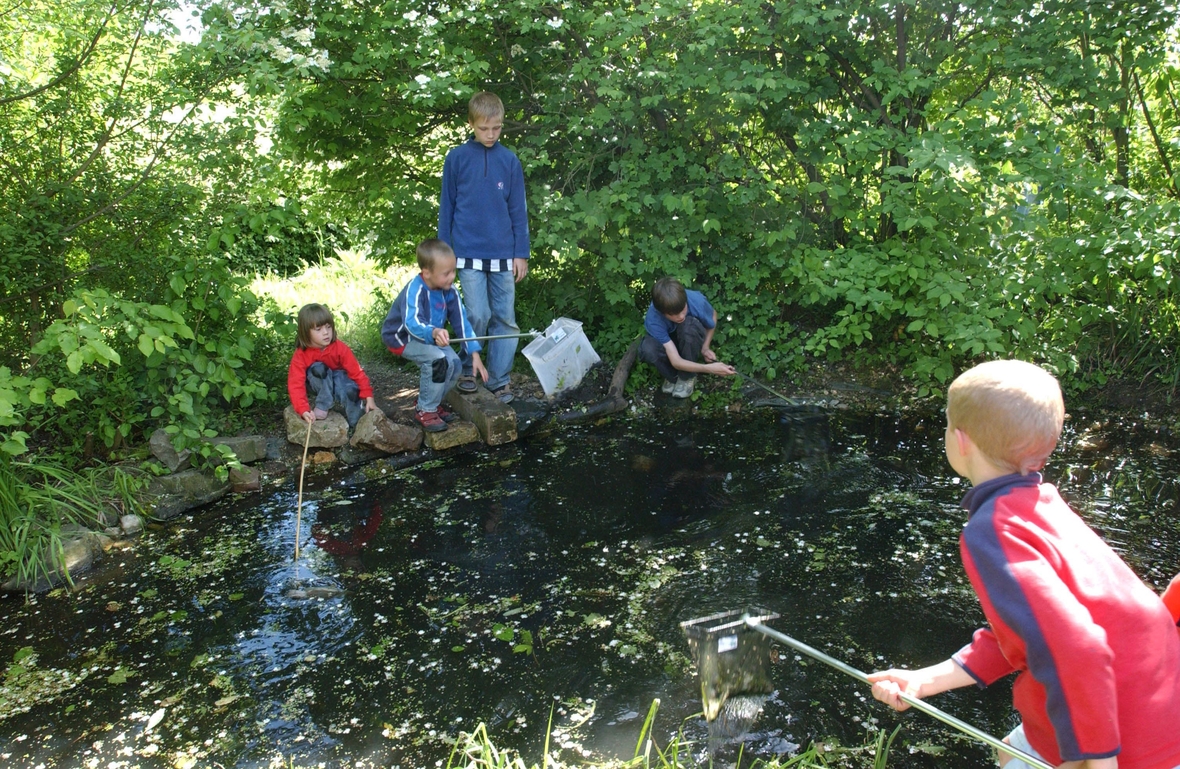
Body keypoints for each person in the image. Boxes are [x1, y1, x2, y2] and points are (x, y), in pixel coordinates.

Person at [867, 360, 1180, 769]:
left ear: (960, 441)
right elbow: (1030, 630)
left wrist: (1097, 760)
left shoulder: (992, 532)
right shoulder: (1043, 504)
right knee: (1009, 748)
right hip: (1158, 720)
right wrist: (927, 680)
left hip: (1120, 747)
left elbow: (1078, 647)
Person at [438, 90, 529, 404]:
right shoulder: (457, 158)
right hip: (466, 253)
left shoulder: (509, 160)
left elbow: (518, 210)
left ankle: (499, 380)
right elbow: (446, 208)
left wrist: (521, 253)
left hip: (504, 254)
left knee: (505, 319)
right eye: (484, 128)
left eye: (497, 128)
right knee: (477, 314)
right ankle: (467, 370)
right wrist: (444, 255)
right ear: (471, 124)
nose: (491, 135)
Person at [381, 239, 488, 433]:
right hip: (403, 338)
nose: (452, 277)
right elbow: (411, 323)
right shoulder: (415, 289)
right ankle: (425, 409)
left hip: (432, 336)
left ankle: (431, 400)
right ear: (427, 273)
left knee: (454, 364)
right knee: (437, 360)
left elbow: (461, 322)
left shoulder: (450, 291)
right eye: (446, 273)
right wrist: (434, 332)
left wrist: (474, 353)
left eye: (453, 271)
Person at [638, 277, 736, 398]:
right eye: (673, 314)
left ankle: (686, 377)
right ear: (662, 312)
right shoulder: (654, 319)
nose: (680, 316)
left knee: (688, 326)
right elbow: (676, 361)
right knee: (648, 348)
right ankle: (673, 377)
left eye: (682, 309)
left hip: (688, 336)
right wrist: (709, 369)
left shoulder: (695, 300)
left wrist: (705, 348)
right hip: (670, 347)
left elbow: (713, 315)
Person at [287, 303, 376, 428]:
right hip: (316, 383)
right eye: (318, 329)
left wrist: (368, 395)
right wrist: (303, 409)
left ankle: (358, 425)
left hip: (337, 380)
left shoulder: (340, 348)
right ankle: (323, 404)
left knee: (351, 389)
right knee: (319, 368)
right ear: (306, 332)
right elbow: (295, 383)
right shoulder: (301, 354)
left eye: (328, 327)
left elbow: (356, 371)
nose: (326, 333)